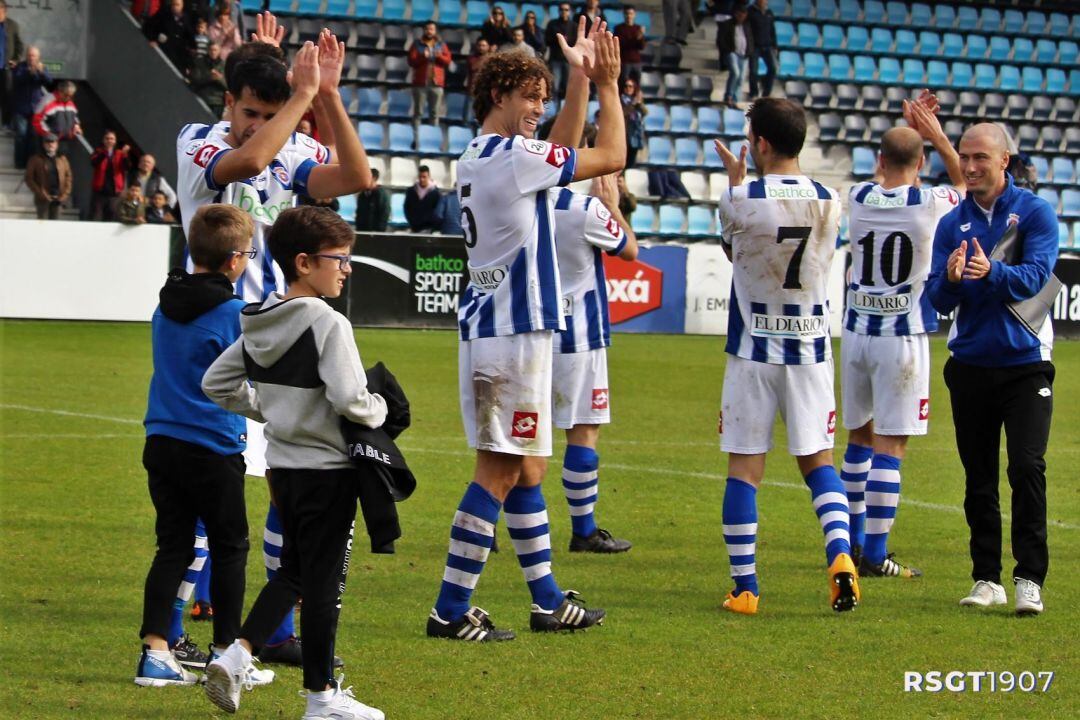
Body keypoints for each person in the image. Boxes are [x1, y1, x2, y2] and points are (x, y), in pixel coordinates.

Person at [426, 21, 625, 641]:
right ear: (497, 98)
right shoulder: (511, 157)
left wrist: (576, 82)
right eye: (527, 97)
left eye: (541, 97)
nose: (536, 108)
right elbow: (610, 155)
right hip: (512, 335)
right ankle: (449, 611)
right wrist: (609, 89)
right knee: (499, 470)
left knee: (527, 469)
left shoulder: (488, 156)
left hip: (504, 330)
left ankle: (545, 602)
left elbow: (558, 149)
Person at [177, 30, 372, 665]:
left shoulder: (297, 146)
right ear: (226, 102)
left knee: (283, 478)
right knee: (219, 478)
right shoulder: (197, 140)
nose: (258, 124)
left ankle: (268, 623)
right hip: (215, 324)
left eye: (269, 112)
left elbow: (359, 176)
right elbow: (253, 163)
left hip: (275, 333)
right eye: (250, 112)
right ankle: (186, 619)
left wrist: (330, 98)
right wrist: (299, 97)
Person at [202, 206, 388, 720]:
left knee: (296, 573)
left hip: (283, 467)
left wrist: (271, 409)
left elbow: (216, 382)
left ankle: (237, 655)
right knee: (323, 584)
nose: (346, 268)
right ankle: (320, 699)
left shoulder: (260, 317)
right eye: (340, 259)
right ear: (304, 262)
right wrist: (383, 408)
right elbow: (352, 399)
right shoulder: (328, 321)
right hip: (328, 470)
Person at [713, 98, 856, 615]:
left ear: (762, 144)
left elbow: (733, 251)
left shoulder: (739, 198)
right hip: (811, 350)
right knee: (819, 463)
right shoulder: (829, 199)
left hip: (753, 350)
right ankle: (840, 555)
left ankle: (746, 588)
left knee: (744, 470)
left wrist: (733, 183)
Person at [926, 123, 1059, 616]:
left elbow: (1037, 277)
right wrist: (955, 280)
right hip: (970, 366)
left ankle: (1029, 578)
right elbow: (936, 297)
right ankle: (987, 578)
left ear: (1005, 160)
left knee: (1027, 466)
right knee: (977, 477)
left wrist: (992, 271)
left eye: (981, 157)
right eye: (964, 156)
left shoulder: (1035, 213)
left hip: (1026, 366)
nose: (970, 166)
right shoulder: (950, 224)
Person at [839, 92, 965, 579]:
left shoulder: (857, 197)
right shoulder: (930, 204)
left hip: (855, 334)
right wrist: (935, 134)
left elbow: (894, 164)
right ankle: (874, 554)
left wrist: (907, 133)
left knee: (859, 438)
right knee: (892, 445)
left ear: (878, 160)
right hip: (903, 335)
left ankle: (847, 538)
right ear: (922, 161)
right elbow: (964, 182)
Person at [135, 204, 257, 688]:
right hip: (211, 445)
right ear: (232, 260)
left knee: (172, 548)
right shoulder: (234, 315)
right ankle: (227, 657)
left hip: (162, 439)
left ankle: (155, 653)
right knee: (231, 548)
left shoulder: (164, 303)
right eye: (248, 253)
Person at [551, 172, 638, 553]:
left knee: (515, 436)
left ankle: (487, 523)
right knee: (583, 430)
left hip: (525, 330)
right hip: (577, 336)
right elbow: (630, 249)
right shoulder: (583, 209)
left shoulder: (519, 201)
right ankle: (583, 531)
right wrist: (614, 208)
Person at [11, 45, 51, 168]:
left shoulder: (42, 67)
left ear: (38, 57)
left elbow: (49, 82)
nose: (31, 58)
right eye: (29, 55)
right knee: (21, 135)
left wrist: (40, 72)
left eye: (33, 55)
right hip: (21, 108)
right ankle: (19, 163)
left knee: (33, 137)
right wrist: (30, 72)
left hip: (35, 109)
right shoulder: (20, 67)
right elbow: (17, 79)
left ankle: (31, 163)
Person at [407, 22, 451, 128]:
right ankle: (416, 139)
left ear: (435, 31)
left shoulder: (441, 45)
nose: (429, 31)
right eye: (427, 29)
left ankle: (432, 138)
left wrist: (439, 56)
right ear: (424, 30)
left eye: (432, 29)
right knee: (418, 113)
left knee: (435, 113)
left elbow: (448, 61)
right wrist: (423, 56)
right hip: (421, 83)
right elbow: (411, 61)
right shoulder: (417, 44)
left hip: (436, 83)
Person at [23, 134, 72, 220]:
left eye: (53, 142)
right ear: (43, 144)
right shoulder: (36, 159)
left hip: (58, 198)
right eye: (48, 142)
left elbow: (69, 177)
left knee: (55, 227)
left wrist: (64, 195)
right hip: (43, 199)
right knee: (43, 225)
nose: (50, 144)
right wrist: (40, 193)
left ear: (57, 144)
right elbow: (29, 178)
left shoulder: (62, 159)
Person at [32, 81, 82, 158]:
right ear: (60, 92)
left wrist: (76, 126)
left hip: (64, 140)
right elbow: (37, 120)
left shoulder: (70, 102)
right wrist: (49, 135)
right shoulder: (48, 100)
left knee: (62, 165)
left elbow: (75, 116)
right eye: (66, 95)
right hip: (49, 141)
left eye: (71, 96)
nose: (69, 98)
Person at [716, 2, 752, 108]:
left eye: (744, 14)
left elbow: (750, 39)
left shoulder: (747, 25)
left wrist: (750, 51)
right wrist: (726, 50)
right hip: (732, 52)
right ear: (736, 14)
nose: (742, 17)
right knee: (735, 73)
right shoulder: (727, 24)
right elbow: (720, 40)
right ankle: (728, 96)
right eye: (740, 14)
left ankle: (736, 99)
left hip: (744, 54)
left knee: (741, 78)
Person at [90, 131, 132, 222]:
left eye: (112, 139)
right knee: (95, 216)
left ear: (115, 141)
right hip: (99, 192)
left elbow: (127, 167)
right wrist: (105, 153)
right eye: (107, 138)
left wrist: (125, 155)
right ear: (103, 140)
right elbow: (94, 163)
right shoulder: (98, 151)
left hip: (114, 193)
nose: (109, 141)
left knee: (111, 217)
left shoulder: (120, 154)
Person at [145, 0, 196, 74]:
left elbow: (190, 42)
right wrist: (152, 39)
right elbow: (149, 26)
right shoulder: (164, 14)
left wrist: (187, 64)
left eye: (177, 5)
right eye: (173, 5)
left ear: (182, 6)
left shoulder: (186, 21)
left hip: (173, 57)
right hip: (159, 51)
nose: (175, 7)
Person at [0, 0, 25, 129]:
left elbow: (20, 46)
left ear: (4, 10)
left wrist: (16, 60)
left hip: (6, 68)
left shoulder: (12, 26)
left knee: (7, 96)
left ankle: (6, 123)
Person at [190, 40, 228, 117]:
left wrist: (219, 79)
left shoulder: (224, 65)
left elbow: (228, 86)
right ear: (207, 50)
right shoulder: (199, 62)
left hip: (218, 102)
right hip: (202, 99)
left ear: (219, 51)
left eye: (215, 50)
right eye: (211, 50)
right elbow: (195, 81)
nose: (213, 52)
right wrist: (210, 77)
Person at [544, 4, 575, 98]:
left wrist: (567, 40)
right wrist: (559, 39)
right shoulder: (552, 24)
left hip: (568, 59)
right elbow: (547, 40)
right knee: (554, 87)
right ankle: (555, 110)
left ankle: (566, 109)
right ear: (558, 11)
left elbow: (576, 42)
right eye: (561, 9)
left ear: (569, 11)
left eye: (566, 9)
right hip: (555, 58)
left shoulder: (573, 25)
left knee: (568, 86)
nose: (564, 11)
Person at [747, 0, 776, 98]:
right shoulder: (750, 11)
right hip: (755, 46)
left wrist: (775, 45)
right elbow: (747, 29)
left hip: (767, 45)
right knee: (753, 71)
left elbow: (772, 29)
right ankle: (753, 93)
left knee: (772, 69)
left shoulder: (769, 12)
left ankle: (766, 93)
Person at [403, 165, 441, 233]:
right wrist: (411, 221)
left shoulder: (436, 194)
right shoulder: (411, 191)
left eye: (424, 177)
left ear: (429, 177)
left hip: (428, 228)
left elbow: (437, 211)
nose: (422, 179)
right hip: (414, 227)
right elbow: (406, 207)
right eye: (420, 177)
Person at [620, 75, 646, 169]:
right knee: (623, 163)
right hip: (625, 134)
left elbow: (645, 112)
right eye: (626, 86)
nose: (628, 88)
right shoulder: (620, 100)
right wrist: (633, 104)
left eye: (630, 86)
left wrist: (640, 102)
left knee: (631, 162)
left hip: (634, 135)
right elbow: (623, 113)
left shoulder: (635, 101)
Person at [613, 6, 645, 80]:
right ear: (624, 14)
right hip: (624, 61)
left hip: (637, 61)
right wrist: (636, 38)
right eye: (627, 13)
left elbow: (641, 47)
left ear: (634, 15)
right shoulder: (619, 28)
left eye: (631, 13)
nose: (629, 16)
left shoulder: (638, 28)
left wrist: (640, 38)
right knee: (624, 83)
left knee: (637, 84)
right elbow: (621, 44)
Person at [355, 167, 390, 232]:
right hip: (362, 230)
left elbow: (385, 213)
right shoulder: (362, 195)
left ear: (374, 178)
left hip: (376, 232)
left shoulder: (381, 194)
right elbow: (359, 212)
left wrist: (379, 229)